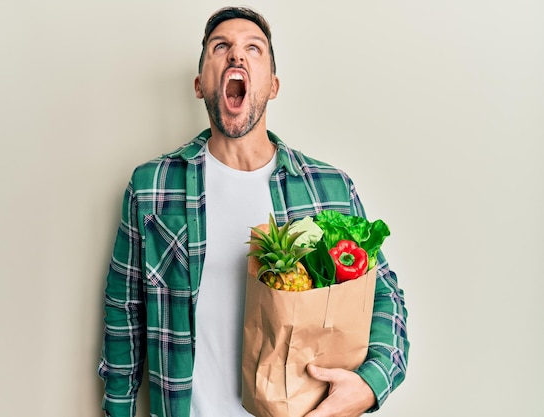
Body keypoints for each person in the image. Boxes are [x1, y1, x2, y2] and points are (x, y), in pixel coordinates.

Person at [98, 6, 409, 417]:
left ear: (274, 85)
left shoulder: (328, 187)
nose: (236, 56)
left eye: (254, 49)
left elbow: (385, 297)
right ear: (199, 83)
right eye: (220, 47)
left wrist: (369, 387)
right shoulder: (152, 186)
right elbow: (123, 317)